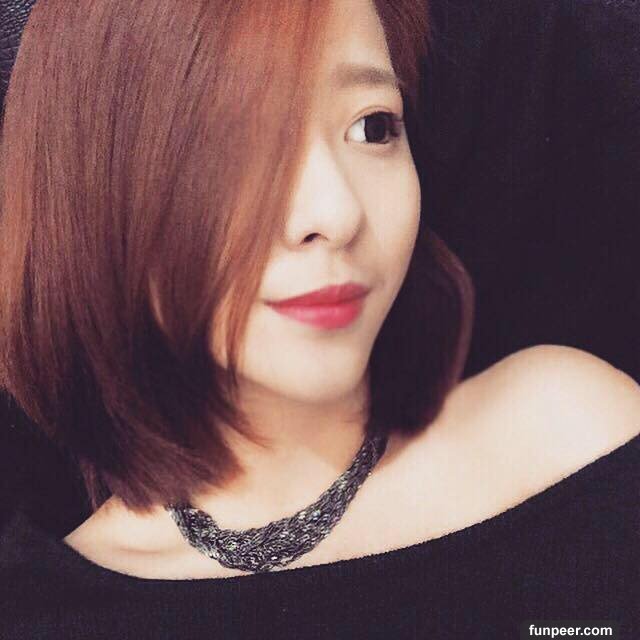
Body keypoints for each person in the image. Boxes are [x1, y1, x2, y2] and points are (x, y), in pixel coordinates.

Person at [0, 1, 638, 638]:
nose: (336, 212)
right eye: (233, 142)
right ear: (96, 190)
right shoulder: (47, 612)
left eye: (373, 127)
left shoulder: (573, 433)